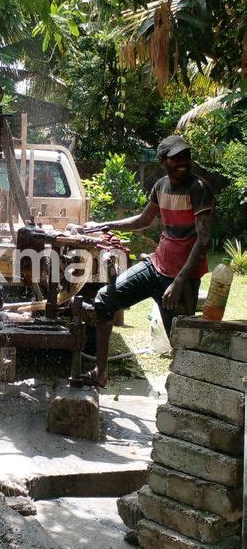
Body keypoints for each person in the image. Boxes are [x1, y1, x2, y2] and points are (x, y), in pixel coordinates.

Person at [82, 135, 214, 387]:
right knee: (104, 300)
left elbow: (203, 240)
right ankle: (101, 373)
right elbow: (143, 220)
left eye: (186, 156)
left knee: (181, 340)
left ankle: (187, 392)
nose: (183, 162)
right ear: (164, 161)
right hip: (155, 265)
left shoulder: (199, 189)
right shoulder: (161, 186)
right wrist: (104, 225)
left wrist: (178, 282)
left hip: (181, 279)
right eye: (176, 158)